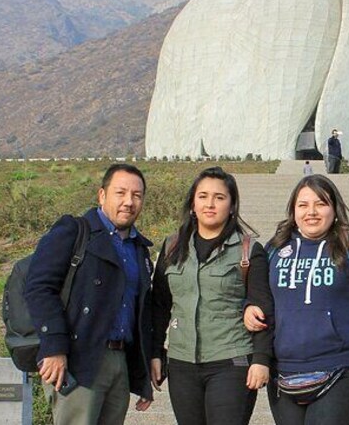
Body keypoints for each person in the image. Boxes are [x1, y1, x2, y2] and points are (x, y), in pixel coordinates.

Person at [244, 174, 349, 425]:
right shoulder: (275, 249)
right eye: (303, 205)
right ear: (293, 210)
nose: (311, 212)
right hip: (285, 372)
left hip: (342, 369)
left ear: (334, 209)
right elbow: (261, 298)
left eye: (321, 204)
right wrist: (248, 307)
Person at [25, 164, 154, 425]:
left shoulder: (138, 248)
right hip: (78, 359)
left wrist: (146, 363)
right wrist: (54, 347)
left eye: (137, 195)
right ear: (102, 195)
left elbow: (142, 309)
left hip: (119, 361)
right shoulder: (74, 231)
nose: (128, 202)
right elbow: (39, 287)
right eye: (120, 193)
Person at [150, 166, 271, 425]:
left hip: (231, 360)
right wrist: (155, 352)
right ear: (192, 203)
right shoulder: (172, 247)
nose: (210, 204)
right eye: (203, 196)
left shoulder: (249, 251)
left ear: (232, 204)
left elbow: (262, 309)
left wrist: (261, 360)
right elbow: (160, 305)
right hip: (181, 361)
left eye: (219, 197)